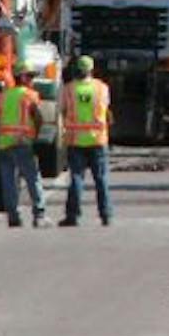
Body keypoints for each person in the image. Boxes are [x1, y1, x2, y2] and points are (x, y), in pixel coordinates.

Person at [60, 55, 113, 227]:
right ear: (91, 69)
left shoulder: (68, 89)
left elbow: (63, 110)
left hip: (76, 140)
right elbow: (106, 109)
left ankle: (72, 216)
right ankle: (106, 215)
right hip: (98, 139)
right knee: (101, 179)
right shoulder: (102, 88)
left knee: (76, 177)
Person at [0, 66, 46, 228]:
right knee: (33, 178)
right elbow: (38, 117)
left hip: (4, 143)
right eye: (30, 77)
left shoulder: (4, 96)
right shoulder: (29, 95)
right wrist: (37, 137)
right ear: (23, 78)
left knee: (9, 181)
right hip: (22, 142)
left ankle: (13, 216)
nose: (32, 81)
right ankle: (39, 215)